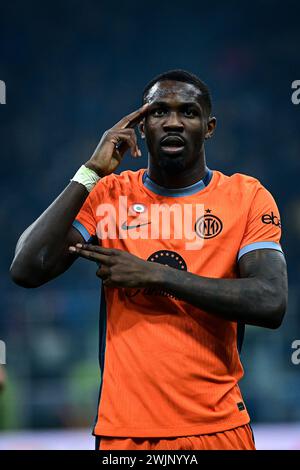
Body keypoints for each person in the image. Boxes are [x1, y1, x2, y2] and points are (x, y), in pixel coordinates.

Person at [10, 69, 288, 450]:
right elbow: (27, 267)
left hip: (217, 429)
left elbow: (271, 301)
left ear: (209, 127)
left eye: (188, 112)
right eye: (158, 112)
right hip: (125, 433)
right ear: (141, 126)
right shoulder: (109, 194)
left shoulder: (246, 197)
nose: (173, 122)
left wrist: (156, 275)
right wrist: (89, 172)